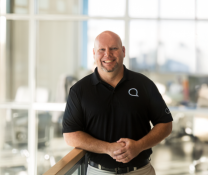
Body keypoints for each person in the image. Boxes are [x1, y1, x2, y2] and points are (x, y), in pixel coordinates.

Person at [63, 31, 173, 175]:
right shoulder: (79, 90)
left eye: (113, 48)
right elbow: (70, 135)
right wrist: (108, 148)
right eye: (102, 50)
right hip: (98, 172)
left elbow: (166, 124)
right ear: (94, 53)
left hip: (140, 171)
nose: (107, 54)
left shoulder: (144, 84)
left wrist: (139, 146)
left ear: (123, 51)